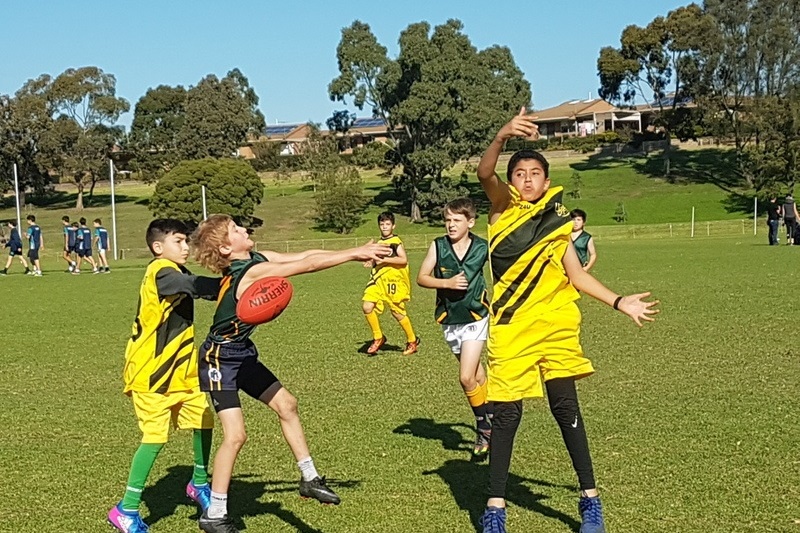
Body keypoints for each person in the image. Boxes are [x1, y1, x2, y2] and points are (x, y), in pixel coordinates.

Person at [475, 109, 659, 533]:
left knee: (566, 409)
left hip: (555, 328)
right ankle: (495, 509)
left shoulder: (558, 229)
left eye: (535, 172)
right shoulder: (502, 210)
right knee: (506, 416)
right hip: (511, 330)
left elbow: (577, 276)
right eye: (518, 172)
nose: (526, 178)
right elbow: (485, 171)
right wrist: (501, 134)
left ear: (546, 179)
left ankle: (590, 501)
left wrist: (618, 301)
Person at [191, 214, 391, 533]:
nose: (244, 229)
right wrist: (354, 254)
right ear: (227, 248)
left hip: (241, 352)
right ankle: (214, 513)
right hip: (218, 359)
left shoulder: (259, 259)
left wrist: (356, 250)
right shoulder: (250, 272)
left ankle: (310, 478)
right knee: (236, 435)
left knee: (287, 405)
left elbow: (306, 256)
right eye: (235, 230)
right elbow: (307, 267)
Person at [107, 219, 221, 533]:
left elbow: (197, 285)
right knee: (155, 438)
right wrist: (233, 282)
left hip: (182, 372)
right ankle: (125, 510)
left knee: (203, 420)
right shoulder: (160, 271)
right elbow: (195, 287)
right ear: (159, 247)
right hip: (151, 373)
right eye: (180, 241)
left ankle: (199, 483)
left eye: (187, 242)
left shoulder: (177, 271)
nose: (186, 247)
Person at [416, 198, 493, 458]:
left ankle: (484, 427)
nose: (451, 225)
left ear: (470, 222)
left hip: (476, 316)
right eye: (447, 220)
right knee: (478, 376)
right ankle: (493, 414)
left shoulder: (483, 247)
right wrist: (446, 283)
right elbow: (421, 278)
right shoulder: (438, 246)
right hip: (450, 319)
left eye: (456, 220)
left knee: (465, 377)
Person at [361, 212, 420, 356]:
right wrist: (371, 261)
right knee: (367, 306)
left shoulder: (395, 242)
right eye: (382, 224)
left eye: (387, 224)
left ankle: (412, 341)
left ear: (393, 226)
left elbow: (403, 260)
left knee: (397, 312)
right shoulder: (379, 243)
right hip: (378, 280)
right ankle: (378, 337)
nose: (384, 227)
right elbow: (377, 260)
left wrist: (385, 261)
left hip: (393, 282)